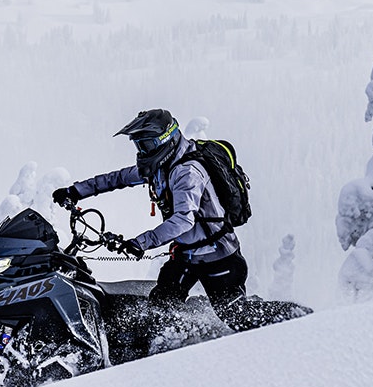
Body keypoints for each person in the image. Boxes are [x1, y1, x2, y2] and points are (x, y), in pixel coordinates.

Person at [52, 108, 262, 335]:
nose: (142, 152)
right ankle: (175, 346)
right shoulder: (161, 167)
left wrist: (141, 242)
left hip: (218, 257)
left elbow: (183, 220)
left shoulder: (187, 172)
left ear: (166, 140)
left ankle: (294, 322)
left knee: (237, 316)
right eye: (139, 146)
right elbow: (118, 178)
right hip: (186, 256)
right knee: (161, 308)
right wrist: (75, 191)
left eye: (147, 145)